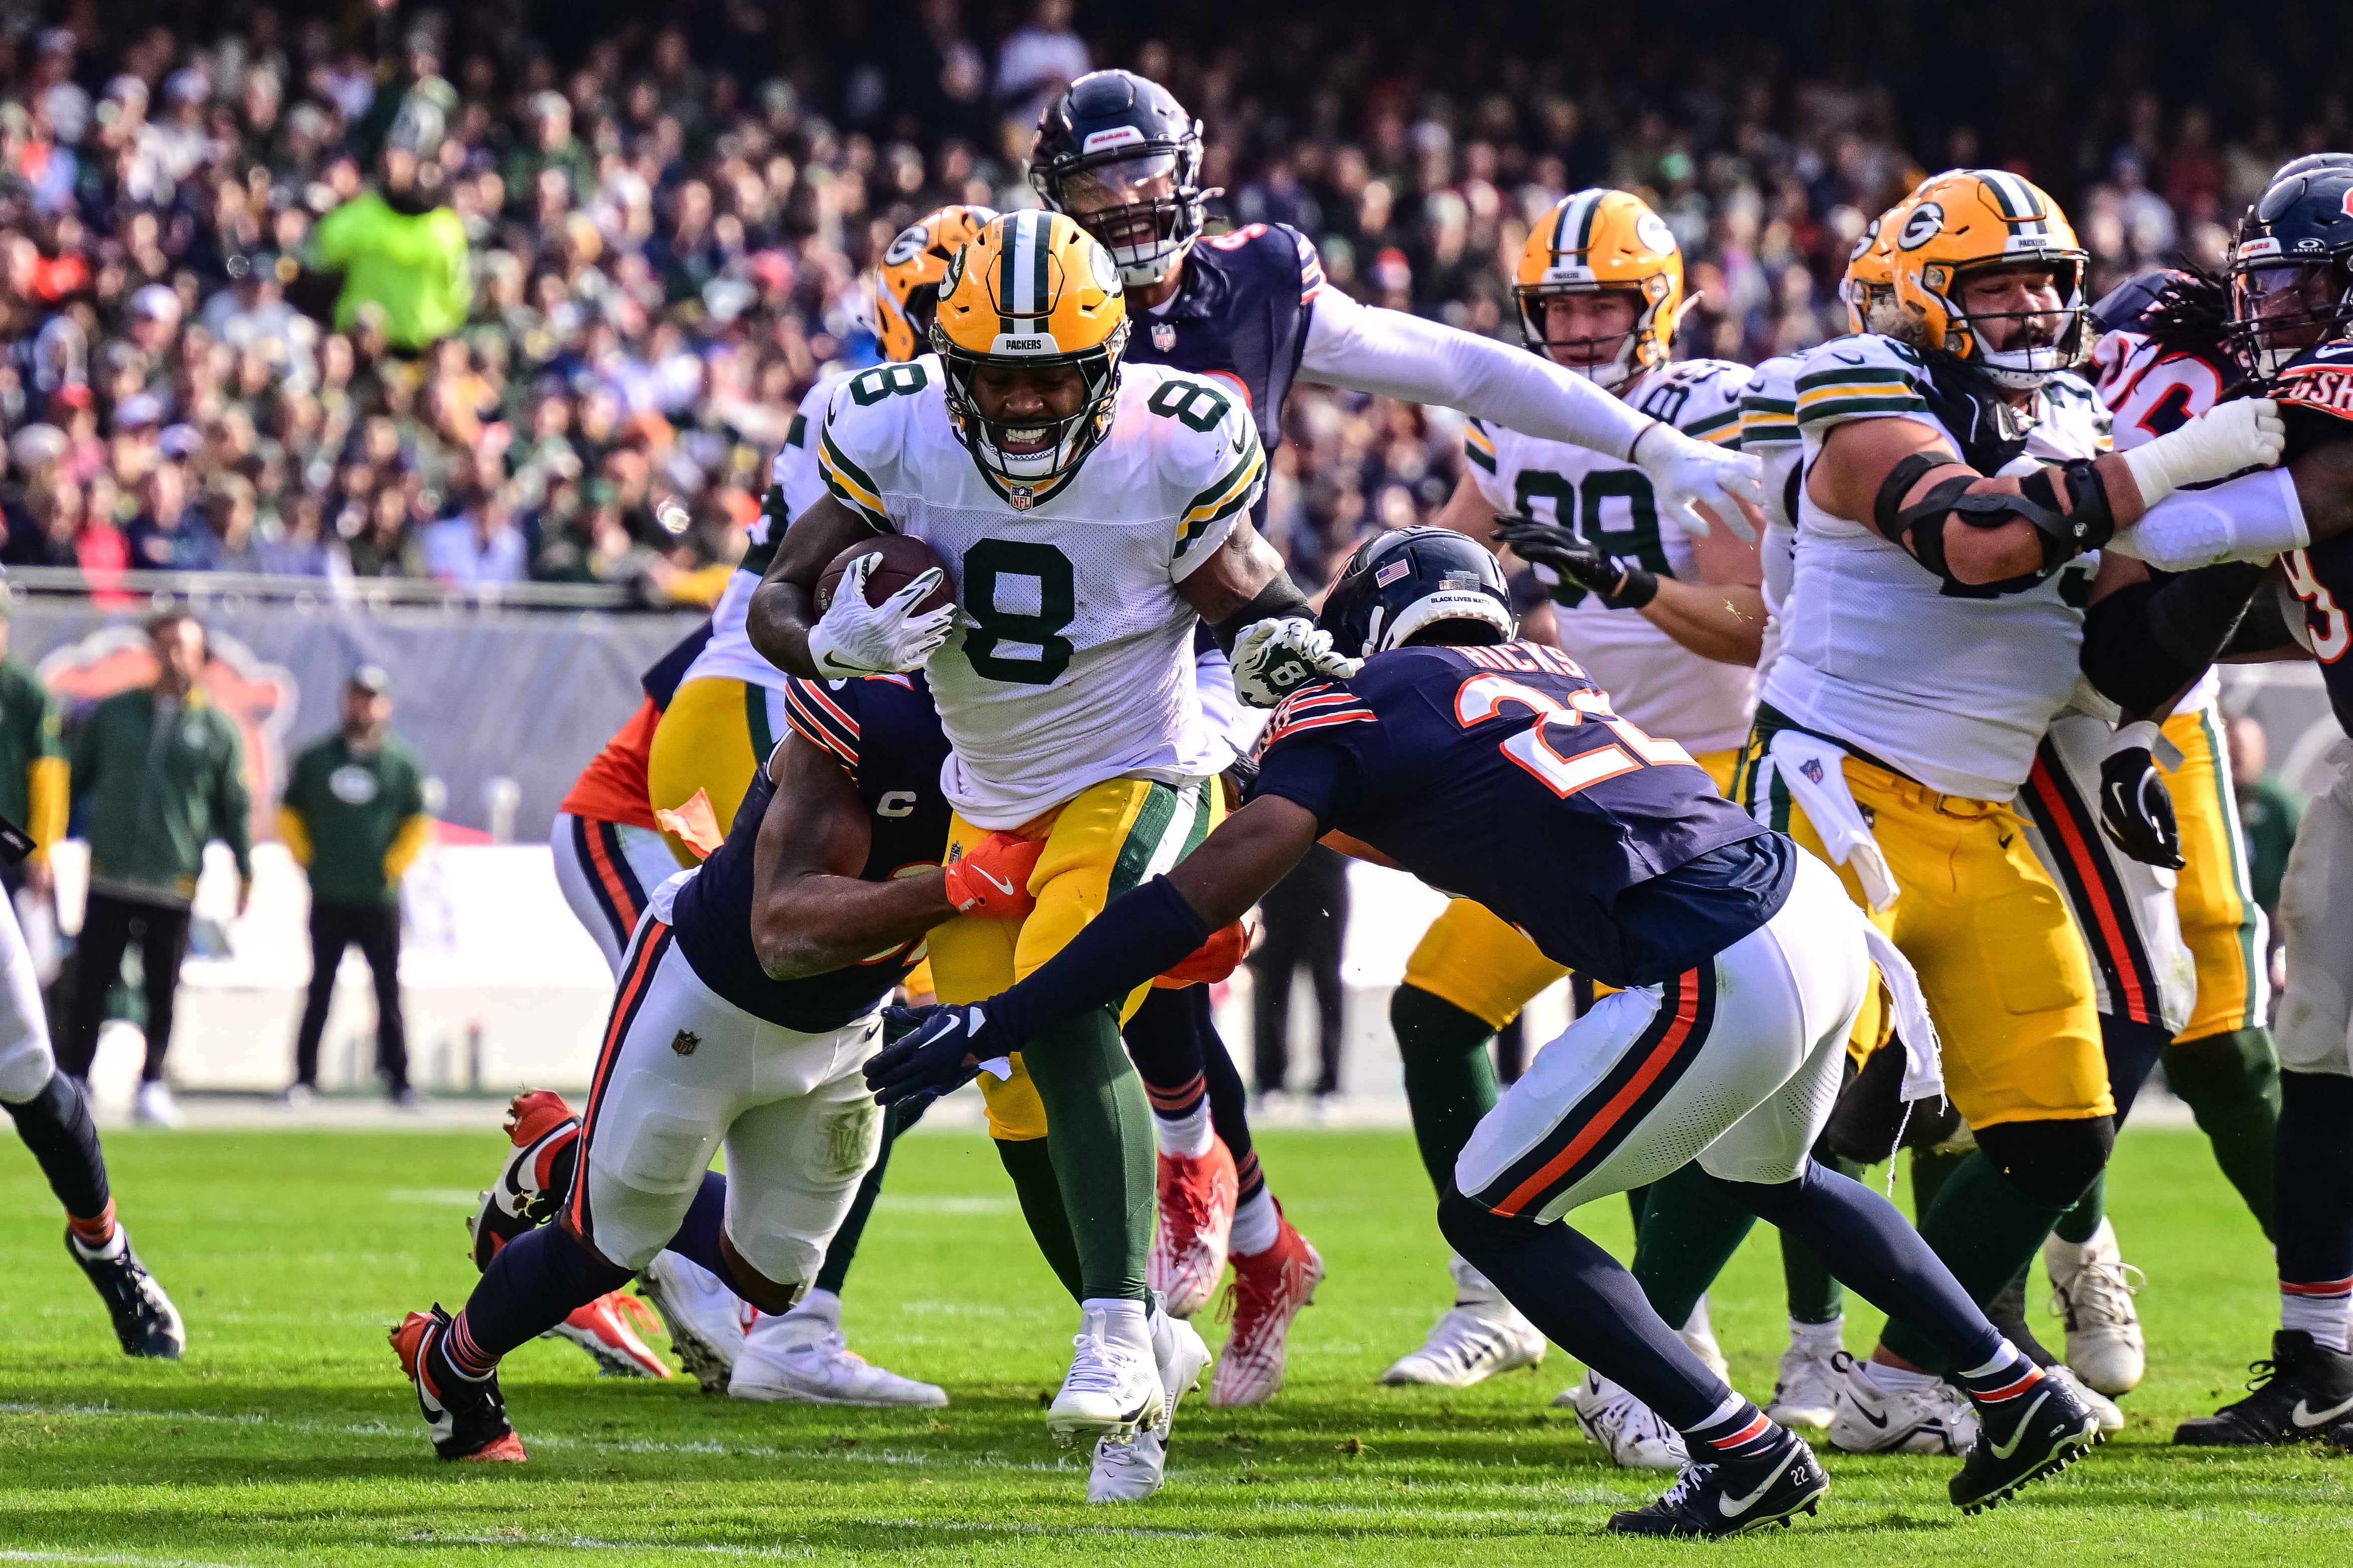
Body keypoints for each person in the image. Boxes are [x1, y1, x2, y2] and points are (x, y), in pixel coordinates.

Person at [870, 527, 2104, 1535]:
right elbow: (1426, 799)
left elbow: (1209, 883)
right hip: (1807, 910)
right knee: (1772, 1175)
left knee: (1492, 1210)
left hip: (1710, 953)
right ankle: (2016, 1390)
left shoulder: (1358, 703)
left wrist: (1001, 1014)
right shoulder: (1550, 672)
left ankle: (1739, 1449)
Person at [1023, 71, 1761, 1392]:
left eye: (1144, 175)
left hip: (1204, 661)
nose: (1126, 204)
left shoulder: (1257, 284)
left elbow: (1459, 366)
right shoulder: (1019, 298)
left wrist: (1646, 446)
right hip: (1048, 664)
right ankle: (1253, 1228)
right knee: (1062, 957)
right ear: (1052, 199)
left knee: (1140, 920)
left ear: (1190, 175)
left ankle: (1201, 1179)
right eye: (1097, 183)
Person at [1735, 168, 2282, 1455]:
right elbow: (1975, 540)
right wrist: (2192, 456)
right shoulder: (1860, 380)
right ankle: (1648, 1362)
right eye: (1999, 284)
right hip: (1841, 786)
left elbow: (2120, 628)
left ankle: (1897, 1375)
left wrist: (2137, 722)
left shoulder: (2078, 412)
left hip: (1985, 806)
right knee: (1787, 1093)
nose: (2033, 306)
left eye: (2047, 279)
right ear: (1928, 294)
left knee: (2061, 1124)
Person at [747, 211, 1301, 1470]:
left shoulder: (1175, 440)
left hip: (1139, 771)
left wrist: (1284, 647)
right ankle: (1148, 1338)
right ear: (952, 367)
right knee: (1015, 1103)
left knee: (1061, 999)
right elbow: (778, 592)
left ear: (1107, 362)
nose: (1026, 400)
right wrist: (823, 645)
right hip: (990, 797)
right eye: (998, 375)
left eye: (1053, 374)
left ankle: (1109, 1329)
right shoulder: (888, 427)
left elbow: (1260, 597)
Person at [393, 667, 1220, 1504]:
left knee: (775, 1281)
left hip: (844, 1027)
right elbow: (781, 929)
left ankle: (575, 1158)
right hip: (707, 997)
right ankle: (452, 1361)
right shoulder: (874, 729)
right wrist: (956, 885)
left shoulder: (1064, 754)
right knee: (609, 1241)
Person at [1396, 187, 1768, 1427]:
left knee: (1658, 1052)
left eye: (1604, 303)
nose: (1579, 330)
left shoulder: (1712, 410)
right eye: (1558, 309)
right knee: (1437, 1003)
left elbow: (1750, 623)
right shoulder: (1516, 418)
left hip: (1714, 775)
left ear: (1660, 304)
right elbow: (1437, 566)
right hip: (1586, 774)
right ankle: (1495, 1290)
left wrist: (1619, 579)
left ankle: (1678, 1333)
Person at [57, 613, 252, 1128]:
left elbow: (233, 806)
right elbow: (74, 779)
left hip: (173, 878)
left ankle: (151, 1082)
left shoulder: (218, 729)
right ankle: (77, 1077)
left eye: (185, 647)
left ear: (201, 656)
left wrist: (245, 868)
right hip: (111, 872)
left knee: (161, 988)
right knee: (92, 980)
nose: (175, 657)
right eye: (166, 645)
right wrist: (49, 845)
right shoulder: (115, 713)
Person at [277, 667, 428, 1107]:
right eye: (358, 697)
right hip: (330, 895)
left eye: (373, 698)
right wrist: (308, 857)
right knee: (320, 987)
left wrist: (393, 864)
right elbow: (289, 813)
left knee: (388, 990)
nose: (365, 707)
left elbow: (417, 821)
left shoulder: (401, 764)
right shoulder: (316, 759)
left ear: (387, 706)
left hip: (379, 898)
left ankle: (399, 1080)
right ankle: (303, 1077)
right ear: (346, 701)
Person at [1247, 842, 1349, 1109]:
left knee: (1328, 983)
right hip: (1280, 876)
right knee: (1273, 982)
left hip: (1327, 876)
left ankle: (1329, 1085)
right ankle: (1270, 1082)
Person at [2228, 714, 2301, 941]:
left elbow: (2312, 847)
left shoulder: (2276, 800)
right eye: (2233, 748)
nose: (2237, 756)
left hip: (2271, 922)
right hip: (2231, 917)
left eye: (2242, 749)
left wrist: (2287, 901)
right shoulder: (2218, 799)